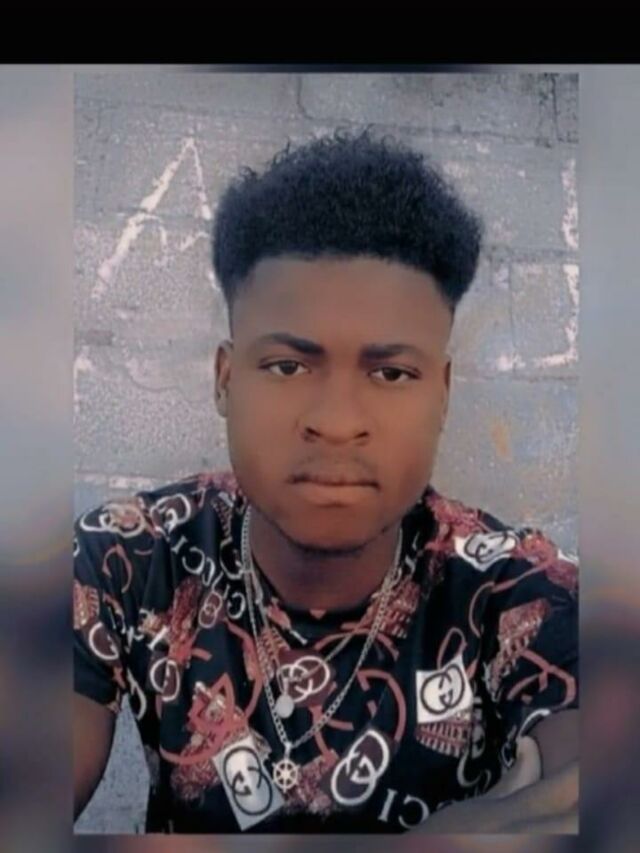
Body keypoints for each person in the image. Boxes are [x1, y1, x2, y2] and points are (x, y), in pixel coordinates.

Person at [73, 130, 578, 834]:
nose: (337, 423)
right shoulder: (129, 557)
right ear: (225, 379)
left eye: (391, 373)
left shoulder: (512, 587)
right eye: (287, 366)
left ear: (442, 393)